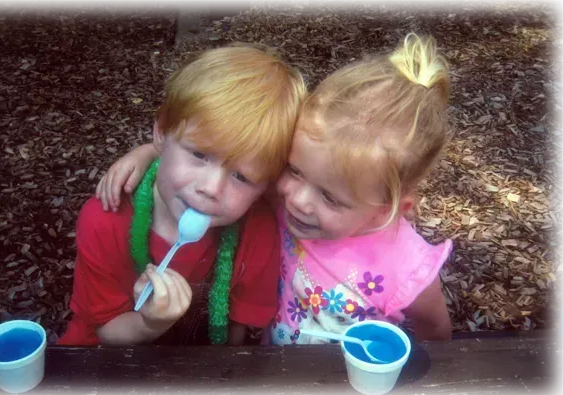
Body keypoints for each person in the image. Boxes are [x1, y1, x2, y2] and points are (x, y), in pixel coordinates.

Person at [97, 33, 453, 343]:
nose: (296, 199)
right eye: (294, 170)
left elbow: (436, 332)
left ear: (388, 209)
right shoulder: (277, 198)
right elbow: (236, 160)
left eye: (330, 197)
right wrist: (150, 153)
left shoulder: (407, 267)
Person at [58, 43, 307, 346]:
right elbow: (105, 332)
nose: (211, 188)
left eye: (241, 177)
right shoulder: (104, 220)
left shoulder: (257, 231)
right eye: (200, 155)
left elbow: (235, 336)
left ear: (264, 187)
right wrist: (150, 324)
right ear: (161, 131)